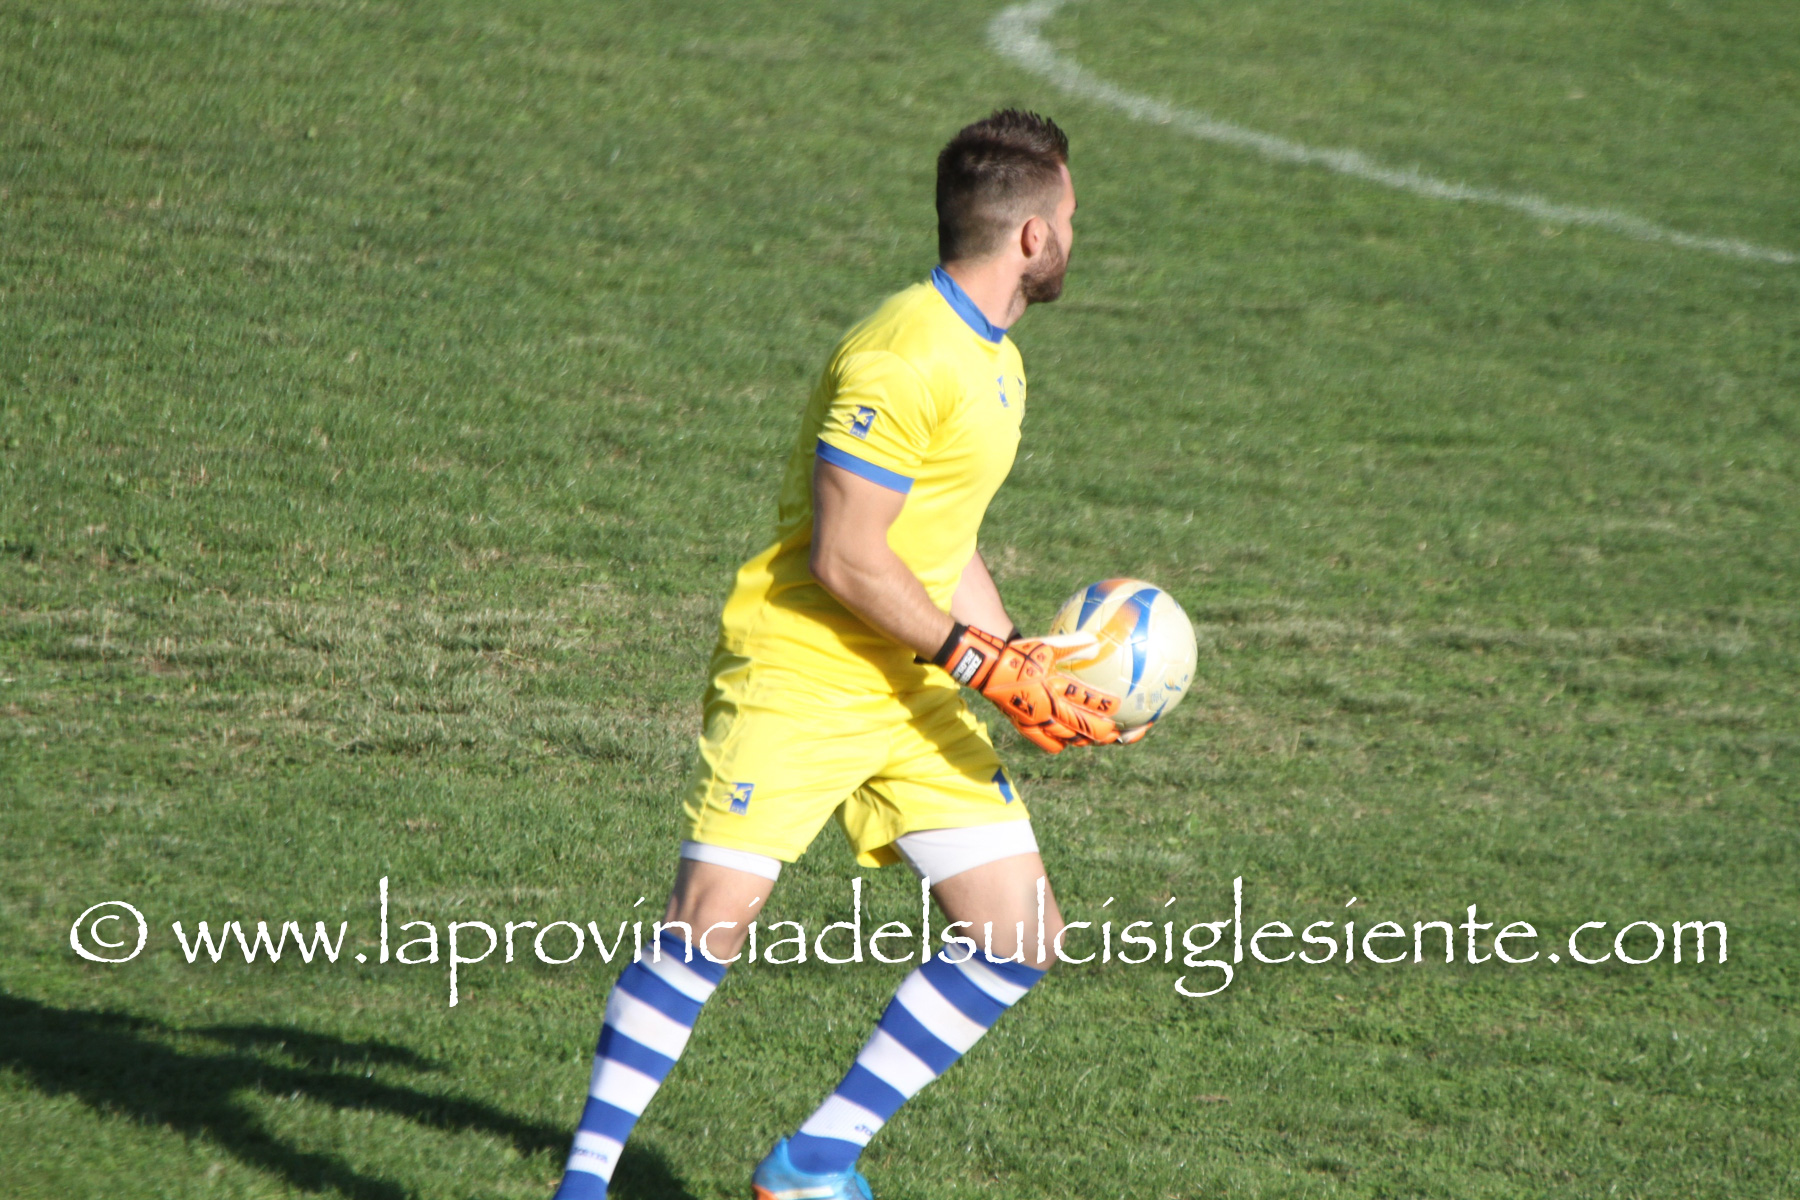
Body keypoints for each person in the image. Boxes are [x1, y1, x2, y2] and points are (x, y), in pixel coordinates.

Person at [552, 109, 1143, 1200]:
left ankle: (812, 1163)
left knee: (1018, 937)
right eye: (1070, 218)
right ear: (1031, 237)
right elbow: (847, 556)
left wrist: (1025, 670)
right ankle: (584, 1185)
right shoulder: (903, 354)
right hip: (807, 673)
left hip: (911, 685)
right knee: (708, 926)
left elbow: (938, 540)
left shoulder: (995, 361)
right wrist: (979, 663)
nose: (1074, 236)